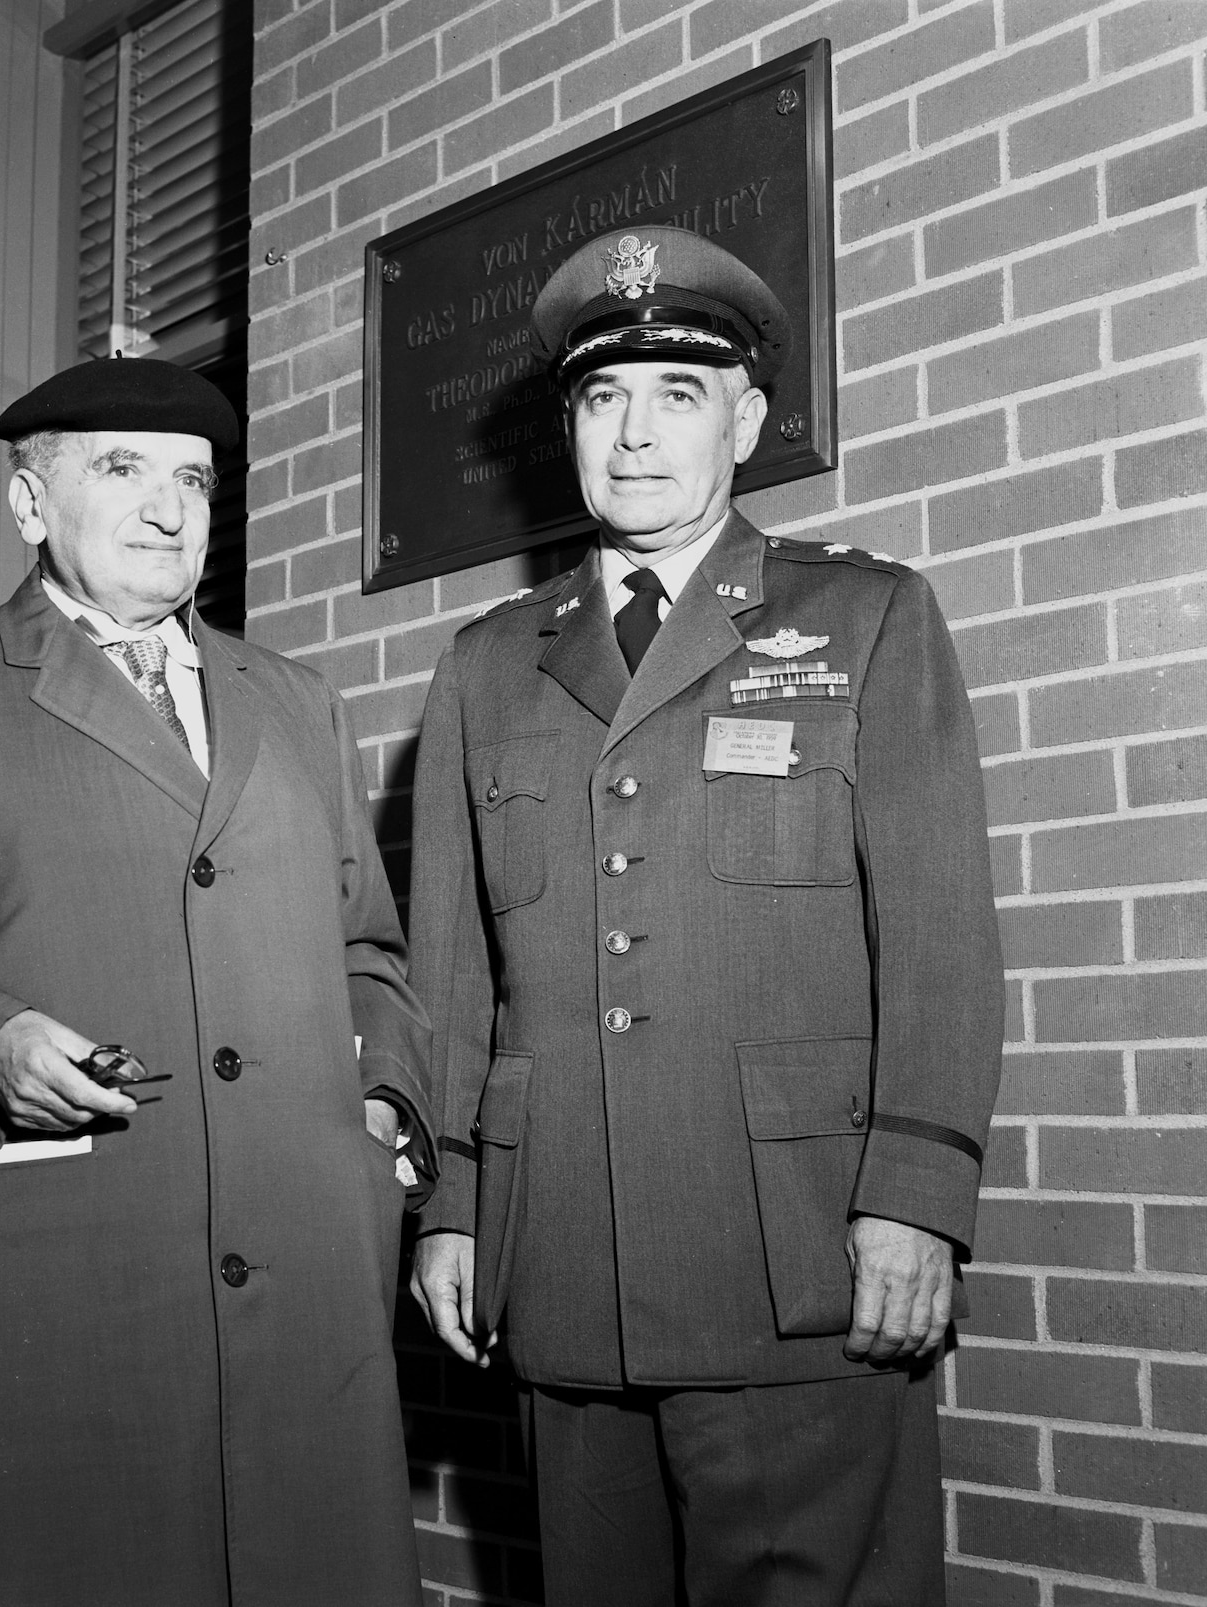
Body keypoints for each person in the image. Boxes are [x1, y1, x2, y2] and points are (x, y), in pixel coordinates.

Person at [0, 356, 434, 1606]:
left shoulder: (296, 704)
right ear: (28, 507)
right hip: (60, 1293)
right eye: (121, 469)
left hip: (305, 1289)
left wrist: (384, 1108)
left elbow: (366, 953)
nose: (169, 507)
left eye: (192, 477)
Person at [407, 227, 1003, 1606]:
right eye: (603, 397)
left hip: (794, 1255)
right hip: (560, 1261)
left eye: (678, 391)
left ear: (744, 418)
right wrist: (452, 1203)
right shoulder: (488, 667)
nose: (634, 434)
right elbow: (450, 967)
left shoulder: (863, 621)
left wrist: (915, 1192)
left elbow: (939, 937)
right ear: (567, 426)